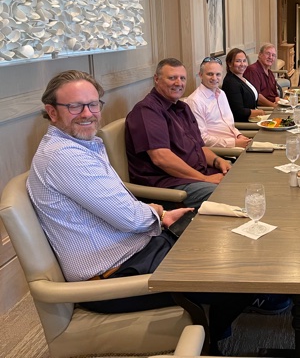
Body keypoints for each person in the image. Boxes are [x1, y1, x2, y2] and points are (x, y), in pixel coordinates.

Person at [26, 70, 254, 355]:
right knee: (241, 274)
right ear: (52, 112)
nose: (87, 113)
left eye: (93, 104)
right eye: (75, 106)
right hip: (117, 278)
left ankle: (210, 330)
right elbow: (130, 217)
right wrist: (157, 213)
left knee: (229, 244)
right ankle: (209, 340)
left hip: (138, 252)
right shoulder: (64, 157)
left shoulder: (80, 145)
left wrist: (154, 213)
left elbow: (116, 204)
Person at [125, 58, 231, 209]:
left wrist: (218, 161)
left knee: (240, 177)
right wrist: (204, 179)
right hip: (169, 184)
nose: (178, 83)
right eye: (172, 78)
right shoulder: (147, 111)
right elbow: (161, 158)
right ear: (156, 79)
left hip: (196, 174)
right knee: (227, 194)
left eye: (182, 78)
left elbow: (199, 147)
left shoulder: (183, 108)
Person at [184, 57, 252, 149]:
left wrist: (239, 135)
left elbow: (229, 125)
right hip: (223, 151)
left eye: (218, 74)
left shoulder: (221, 94)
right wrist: (234, 143)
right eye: (210, 74)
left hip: (236, 143)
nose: (214, 78)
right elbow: (202, 139)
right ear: (200, 75)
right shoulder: (195, 101)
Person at [221, 48, 267, 122]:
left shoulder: (242, 78)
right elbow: (238, 112)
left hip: (254, 119)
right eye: (238, 61)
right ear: (229, 64)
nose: (242, 64)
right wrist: (259, 112)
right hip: (244, 124)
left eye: (244, 61)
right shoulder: (231, 83)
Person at [243, 43, 282, 108]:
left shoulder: (270, 72)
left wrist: (278, 101)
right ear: (260, 55)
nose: (270, 57)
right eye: (268, 54)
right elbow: (257, 97)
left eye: (273, 55)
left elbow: (275, 94)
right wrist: (275, 106)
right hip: (263, 109)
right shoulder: (252, 71)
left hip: (273, 106)